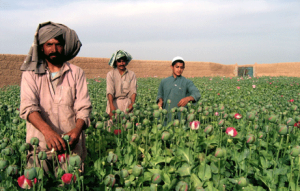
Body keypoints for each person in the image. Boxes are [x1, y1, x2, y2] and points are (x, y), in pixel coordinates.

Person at [19, 21, 92, 173]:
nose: (54, 49)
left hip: (70, 147)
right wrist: (48, 132)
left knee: (71, 186)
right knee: (38, 185)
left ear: (64, 46)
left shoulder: (76, 72)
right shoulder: (30, 74)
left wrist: (77, 130)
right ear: (41, 48)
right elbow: (28, 107)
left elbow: (83, 107)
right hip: (39, 146)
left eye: (58, 44)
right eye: (49, 44)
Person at [106, 50, 137, 119]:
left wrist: (132, 103)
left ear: (126, 62)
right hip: (114, 103)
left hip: (127, 103)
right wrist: (111, 106)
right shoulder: (111, 74)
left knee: (126, 126)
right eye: (119, 61)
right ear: (116, 63)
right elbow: (110, 91)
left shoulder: (131, 74)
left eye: (123, 61)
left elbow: (133, 90)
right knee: (112, 126)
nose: (121, 63)